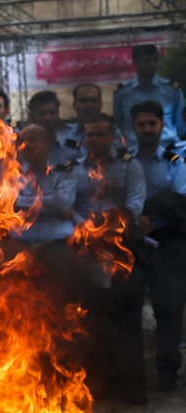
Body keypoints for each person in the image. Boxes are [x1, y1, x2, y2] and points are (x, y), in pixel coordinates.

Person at [75, 112, 147, 405]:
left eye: (100, 134)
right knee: (93, 321)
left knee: (128, 322)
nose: (95, 139)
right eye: (90, 134)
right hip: (86, 255)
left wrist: (99, 225)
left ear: (113, 136)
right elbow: (71, 208)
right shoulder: (73, 170)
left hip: (123, 252)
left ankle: (133, 389)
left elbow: (133, 208)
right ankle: (100, 386)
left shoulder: (131, 168)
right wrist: (88, 228)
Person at [132, 100, 186, 392]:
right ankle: (131, 370)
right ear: (133, 127)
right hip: (131, 242)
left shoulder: (174, 161)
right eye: (141, 124)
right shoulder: (125, 160)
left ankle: (167, 367)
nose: (147, 129)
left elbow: (180, 203)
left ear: (162, 125)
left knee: (168, 307)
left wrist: (157, 223)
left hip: (166, 242)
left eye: (152, 123)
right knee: (129, 306)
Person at [13, 124, 78, 243]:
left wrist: (21, 203)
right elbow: (9, 203)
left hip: (58, 241)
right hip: (22, 241)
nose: (26, 145)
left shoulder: (63, 172)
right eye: (22, 141)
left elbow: (61, 203)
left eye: (32, 140)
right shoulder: (14, 172)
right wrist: (49, 206)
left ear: (47, 144)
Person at [113, 45, 185, 151]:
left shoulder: (171, 90)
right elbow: (120, 125)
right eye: (146, 61)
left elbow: (181, 126)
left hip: (169, 151)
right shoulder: (122, 93)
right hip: (136, 153)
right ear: (135, 62)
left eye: (155, 60)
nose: (152, 64)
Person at [27, 90, 85, 167]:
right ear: (32, 116)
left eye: (52, 112)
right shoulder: (24, 148)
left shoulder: (73, 141)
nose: (48, 118)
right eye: (42, 114)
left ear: (58, 114)